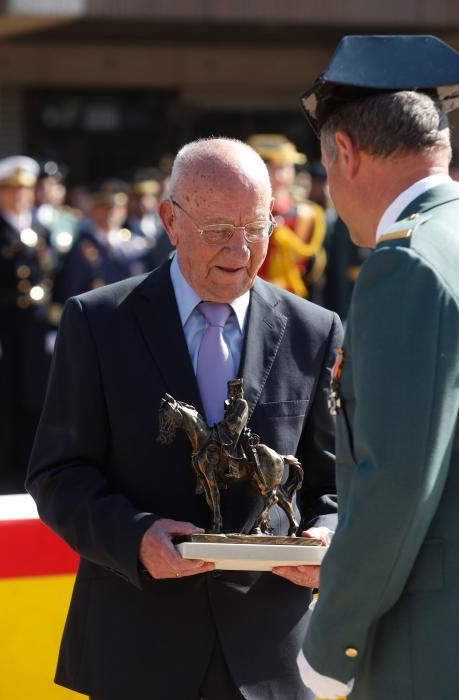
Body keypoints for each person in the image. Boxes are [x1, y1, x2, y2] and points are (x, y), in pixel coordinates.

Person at [26, 137, 342, 700]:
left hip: (273, 656)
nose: (241, 250)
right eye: (220, 230)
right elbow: (57, 474)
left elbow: (337, 482)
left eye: (257, 227)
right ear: (170, 220)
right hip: (137, 648)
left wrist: (329, 536)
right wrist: (136, 537)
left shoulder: (314, 331)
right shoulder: (99, 322)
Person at [297, 34, 459, 699]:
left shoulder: (406, 261)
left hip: (424, 643)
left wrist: (333, 639)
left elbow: (394, 480)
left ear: (344, 152)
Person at [0, 155, 57, 493]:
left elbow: (51, 281)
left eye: (25, 191)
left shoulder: (39, 229)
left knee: (36, 401)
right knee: (4, 404)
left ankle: (27, 475)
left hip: (34, 331)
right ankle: (2, 477)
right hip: (3, 330)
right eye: (11, 191)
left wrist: (53, 326)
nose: (19, 197)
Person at [247, 134, 327, 301]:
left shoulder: (307, 215)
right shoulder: (236, 214)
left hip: (291, 303)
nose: (279, 176)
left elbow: (313, 275)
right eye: (270, 166)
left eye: (284, 167)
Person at [53, 179, 151, 303]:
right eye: (105, 206)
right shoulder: (81, 246)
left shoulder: (134, 244)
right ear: (94, 209)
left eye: (117, 207)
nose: (112, 212)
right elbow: (72, 291)